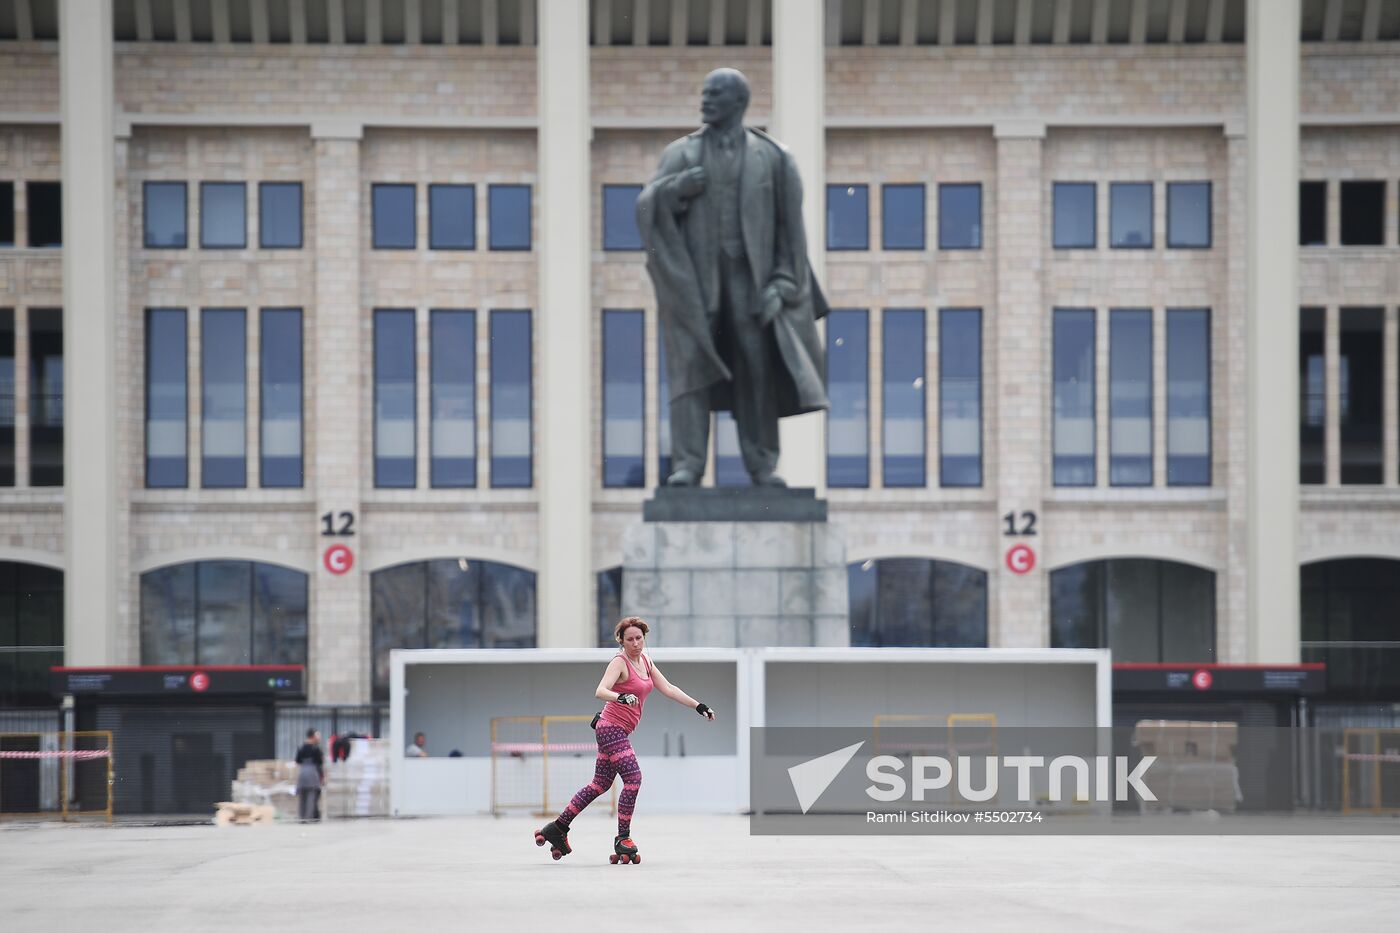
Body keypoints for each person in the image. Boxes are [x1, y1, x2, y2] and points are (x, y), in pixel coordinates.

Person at [637, 67, 828, 488]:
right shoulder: (680, 154)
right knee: (689, 371)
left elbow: (791, 234)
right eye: (703, 93)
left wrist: (783, 283)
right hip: (696, 284)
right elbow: (646, 208)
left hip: (752, 282)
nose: (704, 101)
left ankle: (761, 464)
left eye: (714, 94)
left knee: (755, 369)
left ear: (739, 103)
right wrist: (675, 190)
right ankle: (688, 464)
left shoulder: (775, 159)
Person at [534, 617, 716, 865]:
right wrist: (621, 697)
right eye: (629, 639)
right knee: (633, 778)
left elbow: (670, 688)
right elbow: (601, 690)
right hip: (611, 729)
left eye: (639, 638)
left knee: (600, 784)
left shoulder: (646, 661)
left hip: (615, 730)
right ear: (621, 640)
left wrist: (699, 706)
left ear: (644, 638)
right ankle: (623, 837)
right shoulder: (619, 662)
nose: (635, 644)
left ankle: (558, 826)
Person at [294, 729, 324, 822]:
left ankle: (302, 817)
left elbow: (297, 760)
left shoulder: (301, 747)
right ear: (313, 736)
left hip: (302, 773)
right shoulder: (315, 748)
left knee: (302, 797)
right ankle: (309, 817)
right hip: (312, 773)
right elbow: (320, 762)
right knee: (311, 796)